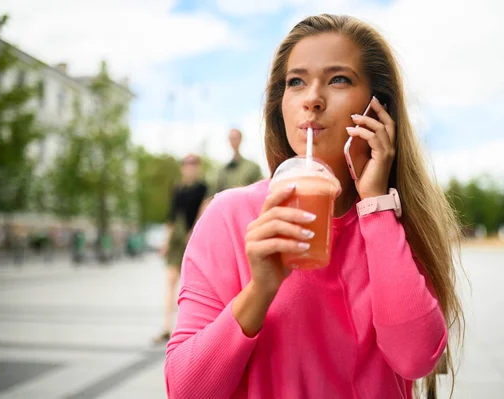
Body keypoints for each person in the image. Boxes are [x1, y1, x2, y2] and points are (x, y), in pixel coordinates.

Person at [165, 14, 464, 398]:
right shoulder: (229, 217)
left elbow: (416, 359)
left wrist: (375, 205)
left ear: (378, 107)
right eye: (296, 82)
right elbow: (186, 390)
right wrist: (260, 290)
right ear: (281, 104)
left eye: (339, 79)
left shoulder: (394, 222)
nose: (312, 99)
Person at [153, 154, 208, 344]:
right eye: (186, 164)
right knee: (170, 281)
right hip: (177, 237)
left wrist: (194, 232)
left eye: (193, 164)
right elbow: (171, 216)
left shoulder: (203, 188)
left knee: (192, 284)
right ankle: (167, 326)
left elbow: (204, 211)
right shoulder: (177, 188)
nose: (189, 167)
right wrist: (165, 242)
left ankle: (187, 329)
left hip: (193, 237)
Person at [215, 128, 263, 193]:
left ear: (241, 139)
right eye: (231, 138)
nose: (234, 141)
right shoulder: (223, 170)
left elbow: (260, 189)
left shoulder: (252, 167)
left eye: (236, 138)